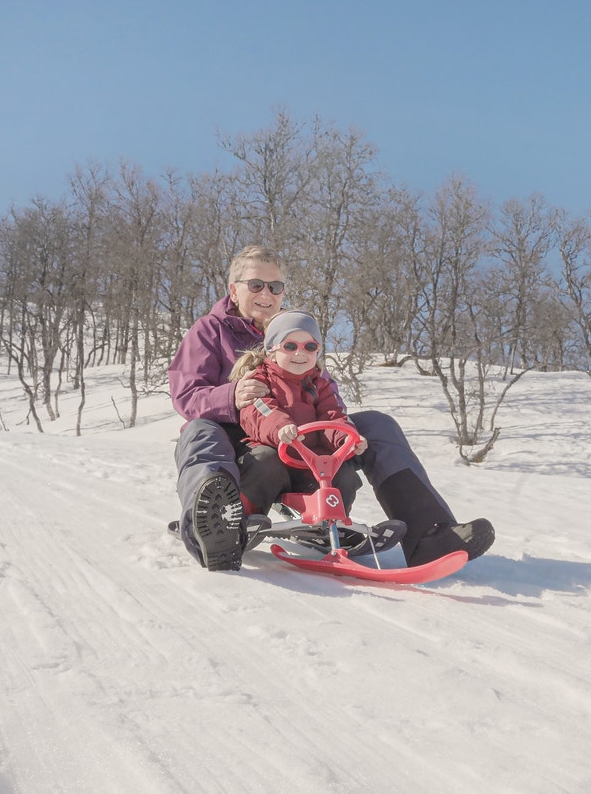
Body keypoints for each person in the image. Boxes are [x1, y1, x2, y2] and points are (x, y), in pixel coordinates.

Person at [168, 245, 495, 572]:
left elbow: (328, 399)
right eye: (256, 285)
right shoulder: (210, 331)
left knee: (376, 424)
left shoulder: (297, 331)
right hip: (240, 443)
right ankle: (212, 530)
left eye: (275, 286)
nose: (266, 294)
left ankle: (429, 534)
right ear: (234, 290)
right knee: (200, 431)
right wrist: (231, 396)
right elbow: (186, 394)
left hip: (301, 444)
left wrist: (343, 436)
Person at [232, 309, 364, 512]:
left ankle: (334, 521)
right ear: (272, 351)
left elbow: (332, 415)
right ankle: (247, 517)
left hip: (310, 461)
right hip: (275, 454)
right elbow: (260, 410)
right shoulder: (260, 379)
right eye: (290, 346)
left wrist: (344, 439)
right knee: (263, 463)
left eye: (310, 347)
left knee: (343, 474)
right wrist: (281, 427)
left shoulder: (319, 385)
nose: (300, 353)